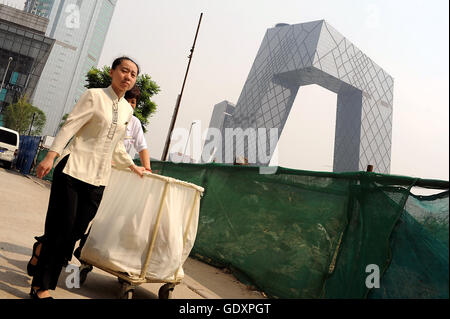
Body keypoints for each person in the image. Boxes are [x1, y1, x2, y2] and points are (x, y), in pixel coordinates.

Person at [27, 56, 145, 299]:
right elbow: (71, 126)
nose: (128, 77)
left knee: (76, 232)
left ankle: (41, 247)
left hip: (98, 179)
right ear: (112, 72)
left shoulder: (126, 110)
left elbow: (117, 146)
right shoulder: (94, 95)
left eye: (133, 74)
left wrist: (133, 167)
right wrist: (51, 155)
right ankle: (41, 287)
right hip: (73, 170)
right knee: (60, 230)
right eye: (124, 71)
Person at [123, 85, 152, 171]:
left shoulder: (135, 122)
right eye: (126, 101)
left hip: (119, 170)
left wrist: (148, 170)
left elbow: (142, 148)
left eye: (133, 102)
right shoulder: (109, 116)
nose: (129, 105)